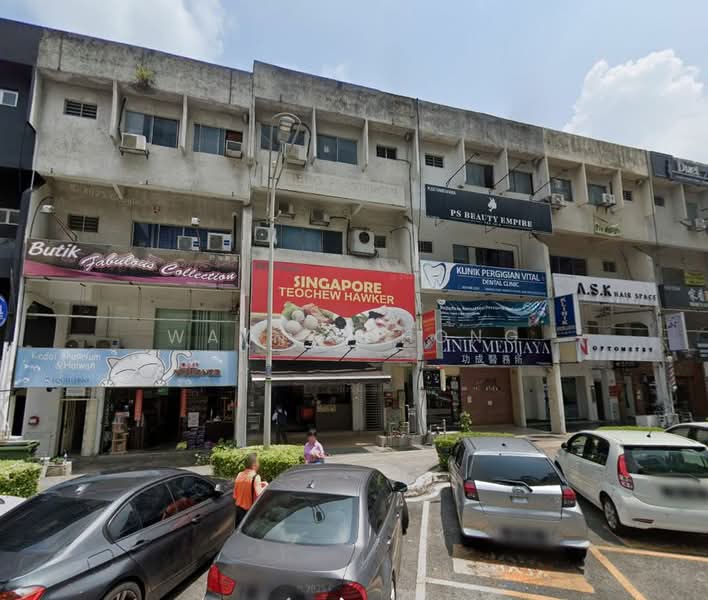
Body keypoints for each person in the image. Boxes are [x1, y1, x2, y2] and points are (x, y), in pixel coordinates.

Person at [233, 452, 267, 527]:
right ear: (254, 465)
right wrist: (265, 486)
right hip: (249, 513)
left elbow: (235, 496)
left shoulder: (239, 474)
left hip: (238, 512)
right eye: (258, 462)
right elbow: (259, 495)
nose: (259, 464)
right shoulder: (255, 477)